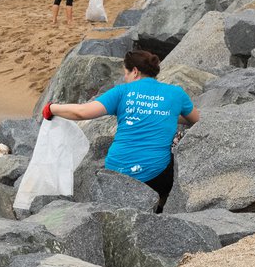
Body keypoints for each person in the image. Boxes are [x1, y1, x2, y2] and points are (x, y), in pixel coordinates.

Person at [42, 50, 199, 210]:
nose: (125, 78)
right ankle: (161, 204)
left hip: (116, 173)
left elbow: (81, 112)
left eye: (126, 73)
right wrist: (166, 114)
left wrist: (51, 108)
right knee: (176, 153)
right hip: (156, 178)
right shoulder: (176, 93)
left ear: (135, 72)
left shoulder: (122, 92)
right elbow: (196, 120)